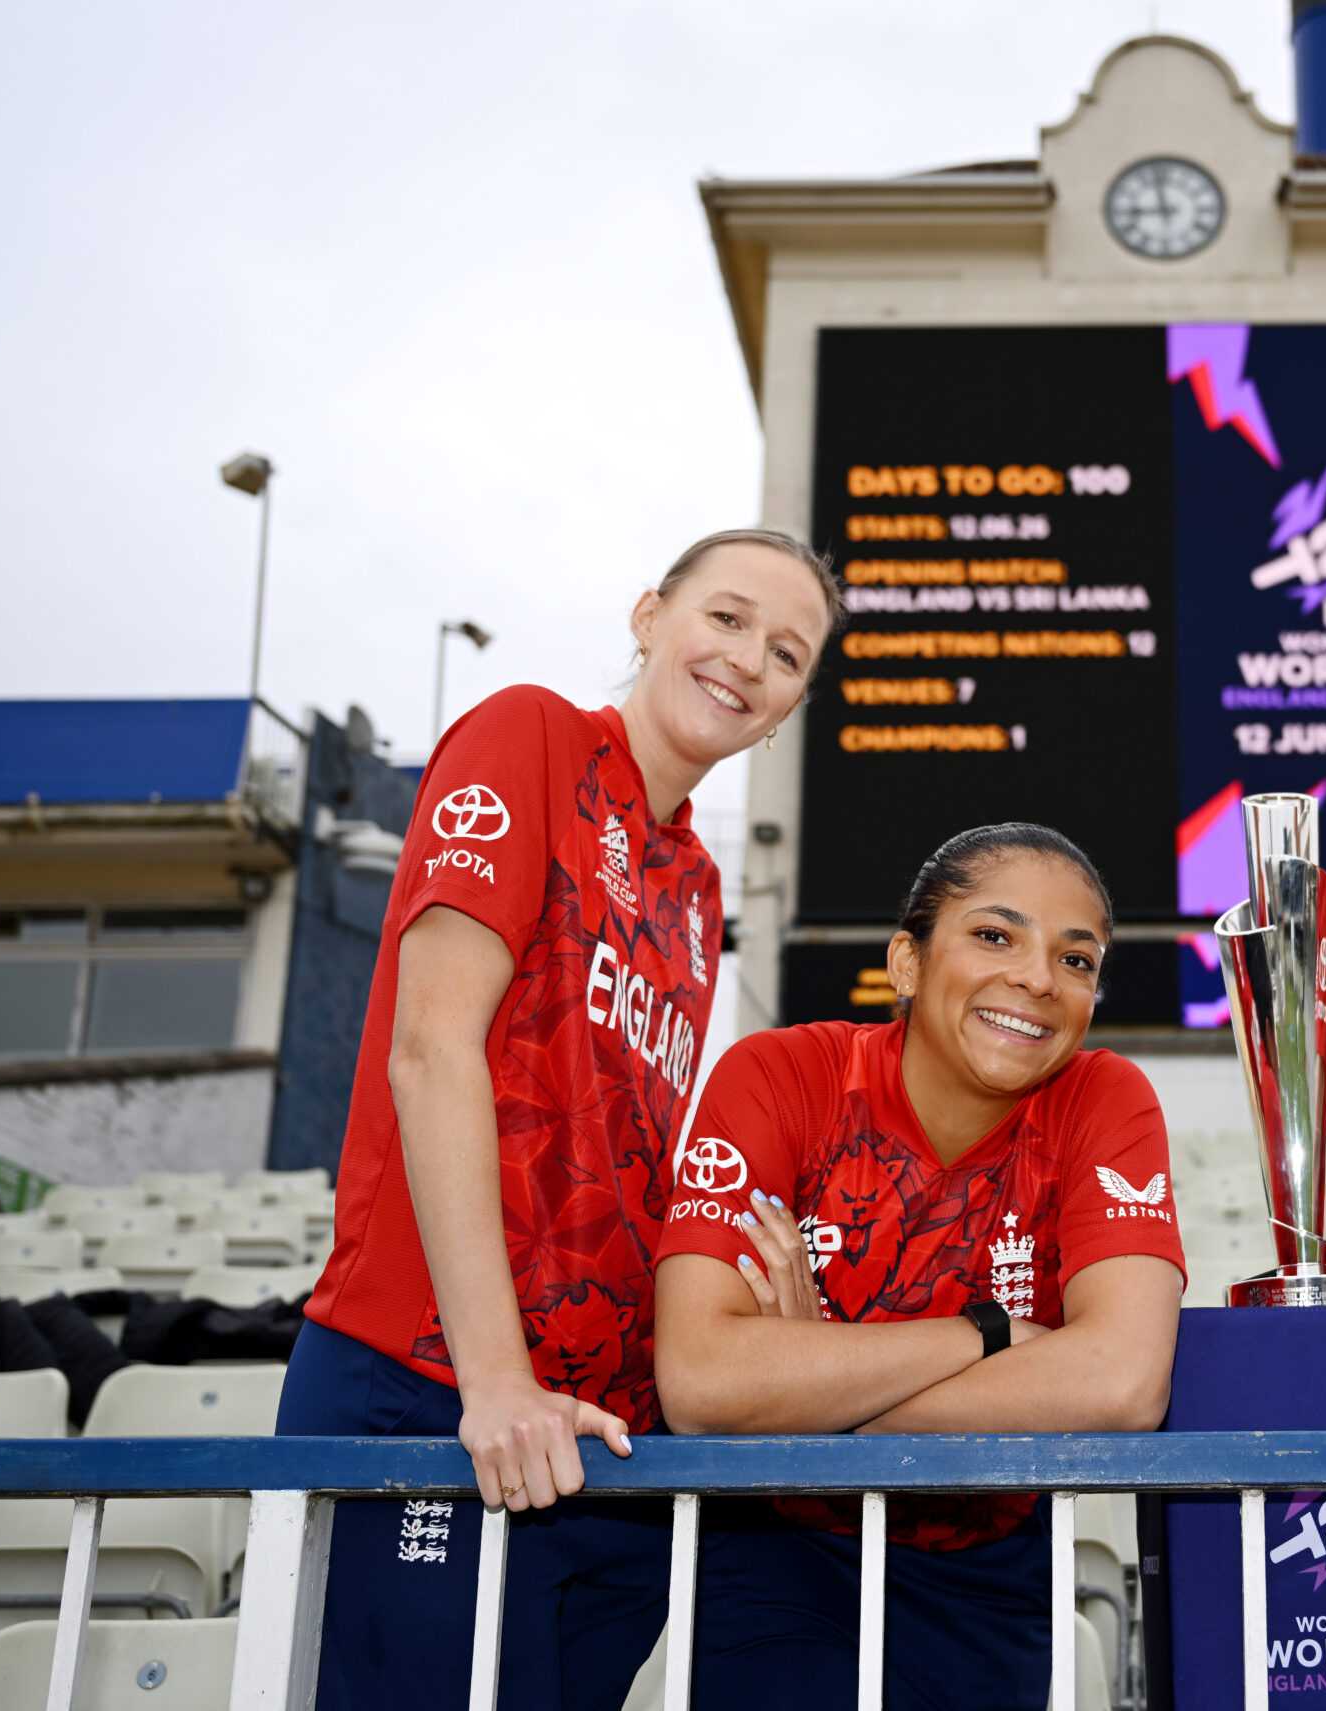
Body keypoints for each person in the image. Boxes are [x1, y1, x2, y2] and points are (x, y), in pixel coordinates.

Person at [276, 528, 842, 1711]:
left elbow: (624, 1153)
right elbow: (430, 1051)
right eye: (726, 617)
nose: (748, 660)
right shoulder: (525, 733)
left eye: (786, 653)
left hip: (597, 1434)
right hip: (436, 1382)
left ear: (789, 707)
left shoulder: (696, 884)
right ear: (647, 616)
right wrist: (494, 1381)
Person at [653, 823, 1186, 1711]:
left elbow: (1124, 1380)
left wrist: (812, 1386)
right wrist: (987, 1336)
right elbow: (703, 1381)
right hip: (783, 1551)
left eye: (1078, 959)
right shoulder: (781, 1076)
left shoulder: (1106, 1097)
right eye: (994, 935)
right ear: (906, 960)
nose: (1038, 978)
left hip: (994, 1574)